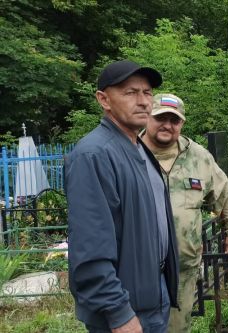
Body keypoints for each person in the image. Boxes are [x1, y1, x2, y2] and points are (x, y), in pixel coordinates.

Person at [65, 60, 179, 332]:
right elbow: (90, 248)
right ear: (103, 99)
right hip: (125, 308)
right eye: (130, 93)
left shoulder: (137, 147)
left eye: (147, 92)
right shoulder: (94, 155)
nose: (142, 101)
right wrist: (118, 313)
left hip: (153, 293)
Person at [140, 93, 228, 332]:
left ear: (182, 124)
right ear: (147, 118)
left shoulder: (198, 157)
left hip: (182, 265)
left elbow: (223, 193)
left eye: (174, 120)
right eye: (161, 118)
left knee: (177, 326)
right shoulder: (129, 153)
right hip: (137, 267)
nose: (167, 125)